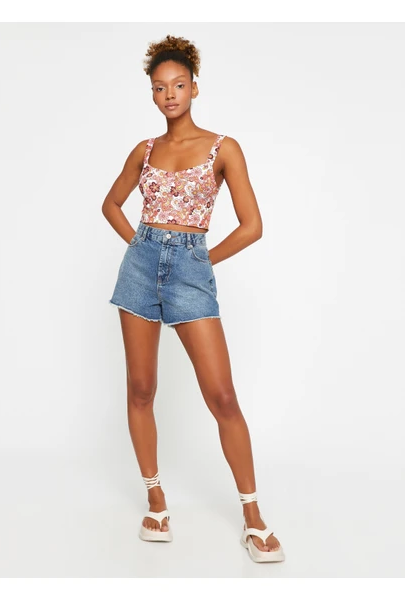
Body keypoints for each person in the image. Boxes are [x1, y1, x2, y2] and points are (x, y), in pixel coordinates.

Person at [102, 34, 285, 563]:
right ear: (152, 93)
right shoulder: (144, 151)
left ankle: (253, 516)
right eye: (160, 87)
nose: (169, 95)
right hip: (140, 270)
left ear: (194, 88)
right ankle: (156, 502)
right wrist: (139, 246)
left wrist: (201, 261)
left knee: (222, 396)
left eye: (178, 85)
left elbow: (252, 226)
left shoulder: (222, 148)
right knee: (141, 388)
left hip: (190, 272)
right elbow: (112, 204)